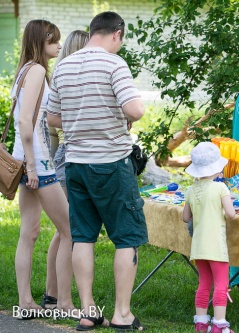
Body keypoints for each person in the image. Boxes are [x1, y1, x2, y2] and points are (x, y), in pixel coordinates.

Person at [47, 12, 147, 331]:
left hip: (76, 164)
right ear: (117, 34)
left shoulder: (64, 65)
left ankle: (88, 311)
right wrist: (118, 117)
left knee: (83, 237)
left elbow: (52, 116)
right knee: (126, 237)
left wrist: (82, 122)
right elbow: (135, 110)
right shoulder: (113, 63)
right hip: (112, 164)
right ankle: (121, 313)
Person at [11, 19, 76, 318]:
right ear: (42, 41)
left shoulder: (24, 69)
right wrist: (34, 167)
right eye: (55, 41)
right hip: (36, 161)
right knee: (69, 230)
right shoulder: (36, 70)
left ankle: (26, 302)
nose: (60, 46)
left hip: (24, 159)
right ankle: (63, 302)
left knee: (30, 232)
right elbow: (25, 122)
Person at [44, 29, 89, 311]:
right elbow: (52, 125)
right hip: (68, 160)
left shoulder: (62, 78)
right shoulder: (70, 81)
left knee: (63, 231)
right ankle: (62, 300)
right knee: (69, 231)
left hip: (62, 157)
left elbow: (53, 130)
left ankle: (52, 295)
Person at [182, 142, 236, 333]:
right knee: (222, 284)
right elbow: (230, 214)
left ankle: (201, 323)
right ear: (218, 167)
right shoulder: (220, 188)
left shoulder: (191, 190)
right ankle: (220, 325)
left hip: (199, 247)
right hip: (216, 247)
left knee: (204, 283)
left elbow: (185, 217)